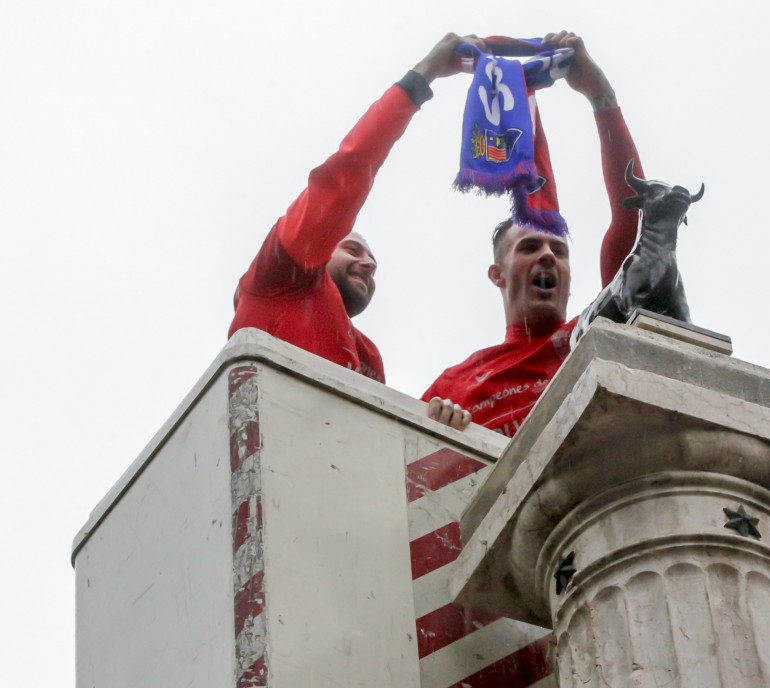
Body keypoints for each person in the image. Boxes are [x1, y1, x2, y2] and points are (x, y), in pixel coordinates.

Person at [229, 33, 477, 430]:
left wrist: (438, 427)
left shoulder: (368, 356)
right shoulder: (280, 276)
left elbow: (381, 441)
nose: (369, 263)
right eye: (353, 249)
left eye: (374, 261)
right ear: (322, 248)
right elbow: (347, 174)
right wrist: (423, 75)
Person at [423, 31, 644, 438]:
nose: (548, 255)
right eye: (529, 247)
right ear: (497, 274)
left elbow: (635, 225)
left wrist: (600, 95)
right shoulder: (455, 384)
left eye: (559, 251)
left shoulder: (591, 336)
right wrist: (435, 436)